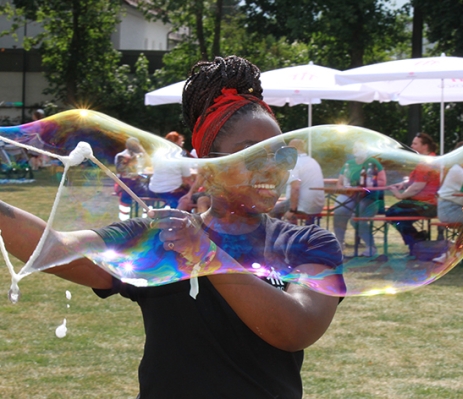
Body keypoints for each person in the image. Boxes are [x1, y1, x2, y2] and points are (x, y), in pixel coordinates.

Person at [0, 56, 345, 398]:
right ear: (209, 167)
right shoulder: (161, 236)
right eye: (253, 155)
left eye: (282, 155)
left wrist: (205, 255)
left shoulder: (310, 244)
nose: (274, 168)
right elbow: (55, 248)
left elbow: (295, 328)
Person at [385, 132, 439, 254]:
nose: (412, 146)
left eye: (415, 143)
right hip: (426, 203)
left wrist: (400, 195)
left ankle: (417, 242)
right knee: (397, 216)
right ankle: (417, 243)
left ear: (425, 146)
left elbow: (418, 186)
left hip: (426, 205)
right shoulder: (428, 160)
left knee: (392, 214)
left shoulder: (427, 162)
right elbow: (415, 181)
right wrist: (404, 184)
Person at [333, 141, 387, 257]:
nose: (357, 150)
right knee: (339, 211)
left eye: (361, 148)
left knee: (357, 218)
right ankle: (339, 244)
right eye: (355, 147)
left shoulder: (372, 163)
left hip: (369, 198)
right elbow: (339, 184)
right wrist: (347, 189)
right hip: (351, 196)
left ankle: (370, 247)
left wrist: (370, 185)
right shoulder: (349, 164)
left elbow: (383, 182)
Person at [269, 138, 325, 225]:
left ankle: (278, 234)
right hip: (317, 205)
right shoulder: (312, 161)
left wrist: (292, 210)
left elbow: (295, 188)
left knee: (273, 211)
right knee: (286, 206)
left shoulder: (295, 162)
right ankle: (295, 230)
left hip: (303, 205)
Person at [148, 133, 194, 208]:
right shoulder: (180, 155)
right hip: (171, 191)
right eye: (181, 142)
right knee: (190, 198)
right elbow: (187, 176)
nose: (182, 144)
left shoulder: (158, 152)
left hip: (154, 190)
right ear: (177, 143)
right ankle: (184, 216)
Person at [114, 137, 150, 220]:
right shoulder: (122, 156)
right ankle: (125, 220)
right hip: (124, 183)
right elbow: (121, 172)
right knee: (126, 194)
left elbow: (149, 163)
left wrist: (143, 151)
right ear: (127, 146)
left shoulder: (140, 155)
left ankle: (147, 218)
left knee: (150, 193)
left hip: (137, 183)